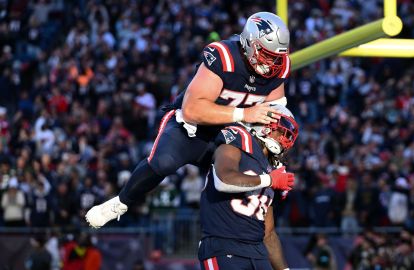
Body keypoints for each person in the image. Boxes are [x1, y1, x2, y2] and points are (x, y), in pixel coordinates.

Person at [86, 11, 291, 228]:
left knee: (256, 177)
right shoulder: (224, 57)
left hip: (230, 134)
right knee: (163, 162)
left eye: (277, 57)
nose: (273, 63)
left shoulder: (279, 70)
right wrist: (243, 114)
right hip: (192, 127)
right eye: (268, 55)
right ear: (250, 44)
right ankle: (121, 202)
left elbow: (275, 113)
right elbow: (192, 109)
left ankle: (247, 238)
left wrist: (273, 158)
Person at [198, 105, 297, 269]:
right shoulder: (238, 142)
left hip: (257, 251)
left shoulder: (271, 169)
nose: (285, 137)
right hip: (224, 245)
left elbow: (269, 235)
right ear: (263, 124)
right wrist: (269, 181)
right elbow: (224, 180)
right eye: (282, 130)